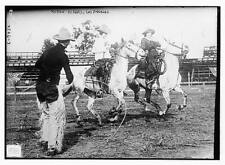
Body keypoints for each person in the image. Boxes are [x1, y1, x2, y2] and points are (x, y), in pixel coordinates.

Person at [35, 27, 74, 156]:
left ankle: (44, 138)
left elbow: (37, 65)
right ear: (67, 42)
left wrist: (46, 70)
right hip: (52, 87)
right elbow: (70, 76)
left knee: (46, 114)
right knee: (55, 117)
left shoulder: (47, 52)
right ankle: (52, 146)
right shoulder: (63, 56)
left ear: (58, 40)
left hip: (40, 87)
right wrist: (69, 82)